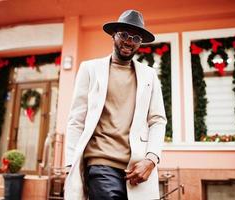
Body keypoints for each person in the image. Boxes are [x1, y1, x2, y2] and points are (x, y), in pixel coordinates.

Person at [64, 9, 167, 200]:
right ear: (113, 35)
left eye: (136, 37)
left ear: (140, 43)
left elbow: (158, 120)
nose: (129, 41)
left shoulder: (149, 75)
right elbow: (76, 120)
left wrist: (151, 159)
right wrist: (71, 164)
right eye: (124, 34)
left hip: (136, 169)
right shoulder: (90, 69)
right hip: (100, 162)